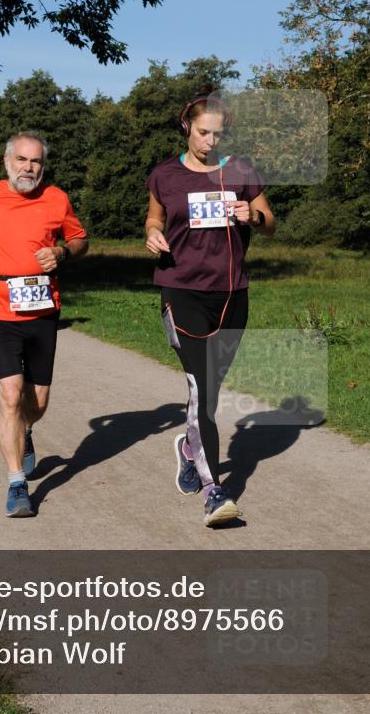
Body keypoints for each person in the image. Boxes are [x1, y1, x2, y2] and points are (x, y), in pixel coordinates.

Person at [145, 94, 275, 527]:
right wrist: (152, 234)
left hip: (232, 293)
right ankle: (214, 491)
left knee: (211, 391)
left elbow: (268, 220)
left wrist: (251, 217)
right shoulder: (165, 174)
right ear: (187, 127)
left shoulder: (240, 171)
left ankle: (188, 447)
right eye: (204, 132)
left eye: (218, 133)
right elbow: (154, 218)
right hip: (180, 290)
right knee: (201, 389)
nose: (210, 140)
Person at [0, 132, 88, 518]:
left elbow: (80, 240)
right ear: (7, 161)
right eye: (23, 160)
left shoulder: (56, 198)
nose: (29, 168)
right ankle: (16, 484)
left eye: (36, 162)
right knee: (10, 395)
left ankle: (26, 432)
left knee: (37, 402)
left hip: (44, 309)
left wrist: (61, 251)